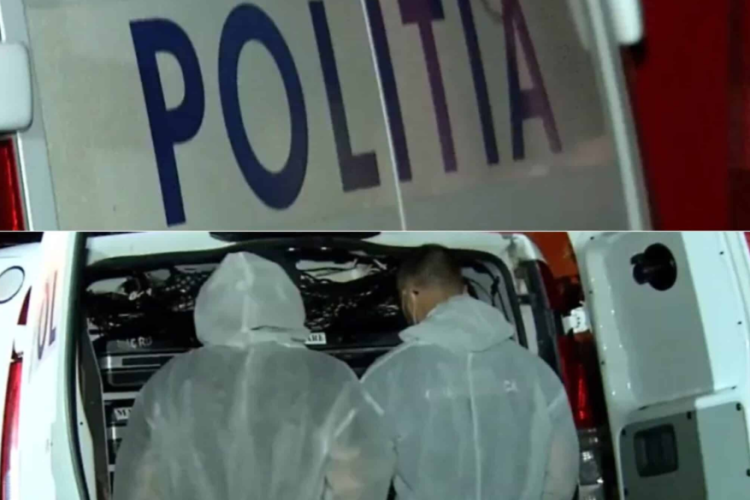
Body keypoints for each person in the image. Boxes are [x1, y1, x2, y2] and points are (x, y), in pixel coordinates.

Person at [114, 252, 394, 500]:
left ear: (209, 306)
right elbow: (360, 476)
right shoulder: (329, 377)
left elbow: (140, 484)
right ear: (287, 302)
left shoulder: (170, 382)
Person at [362, 245, 580, 500]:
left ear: (410, 296)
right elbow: (562, 477)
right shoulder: (535, 371)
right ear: (465, 291)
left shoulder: (387, 376)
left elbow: (359, 479)